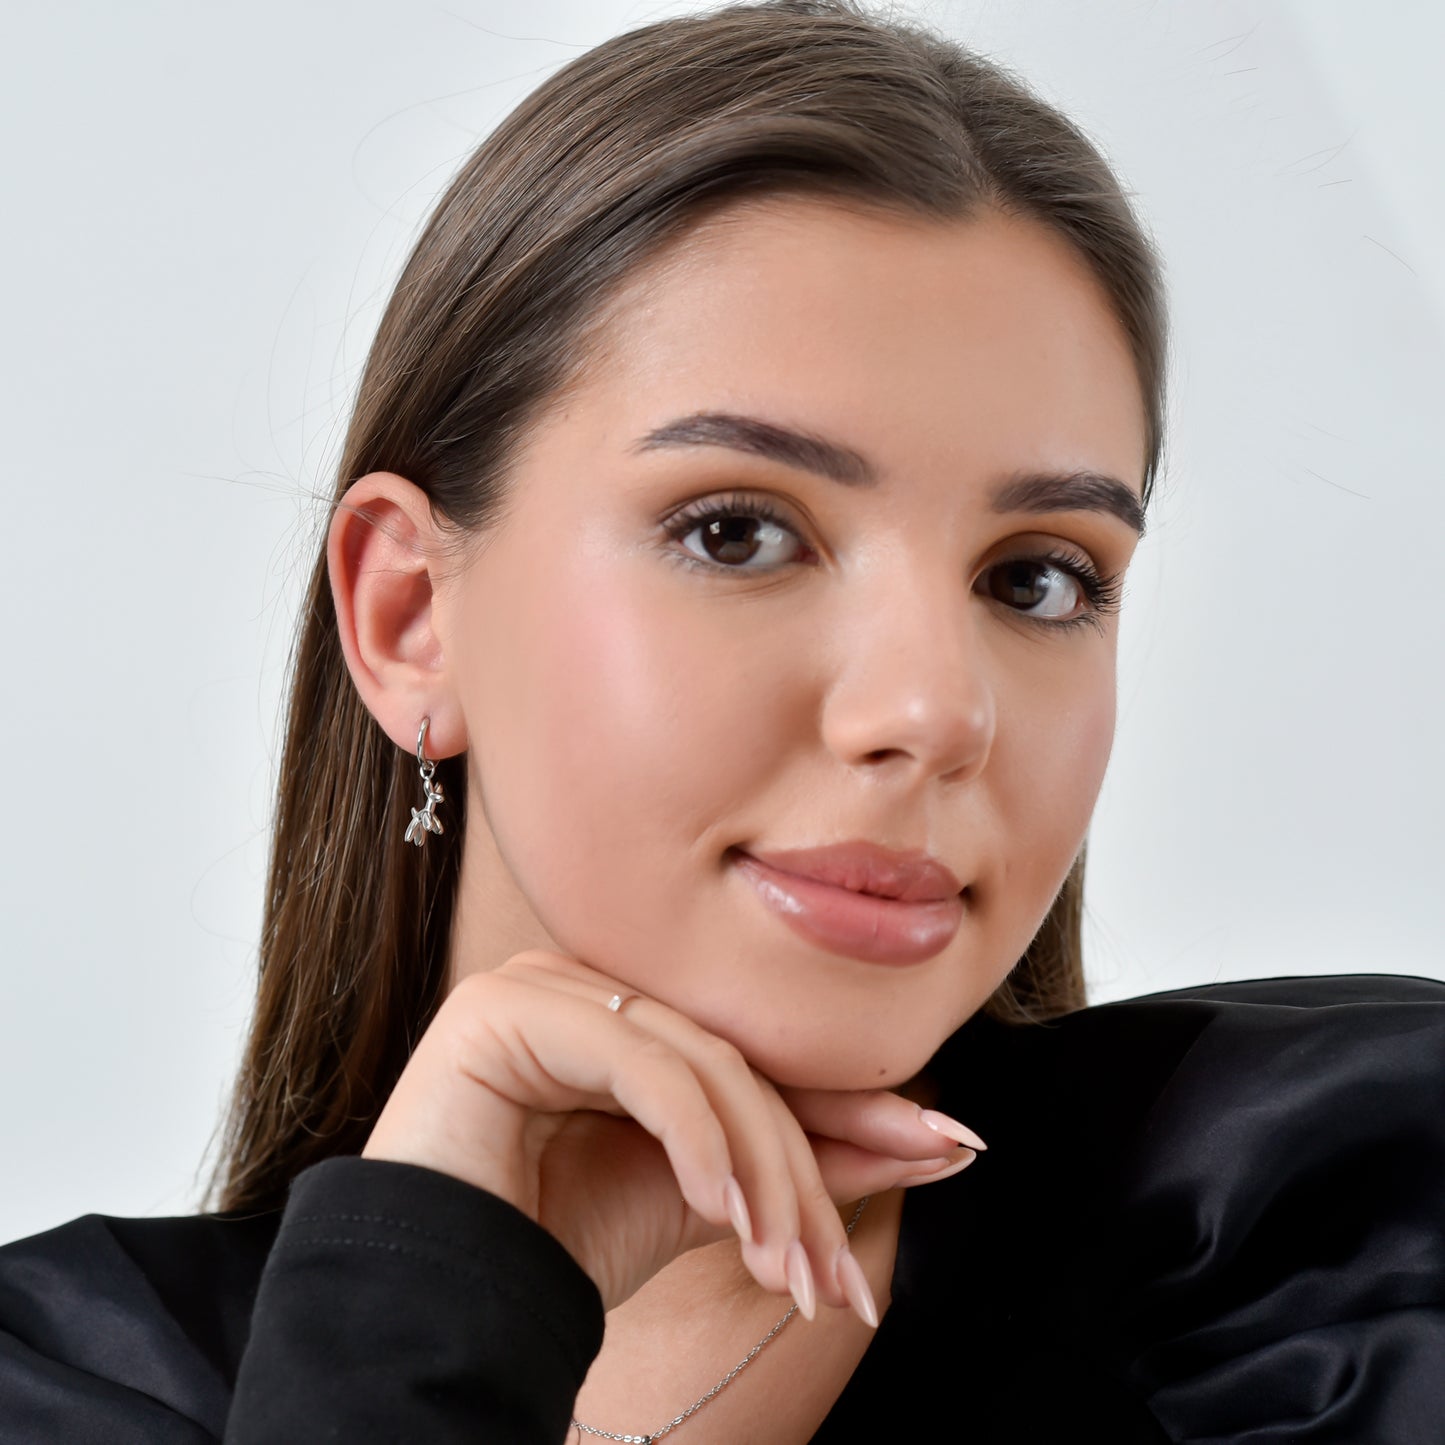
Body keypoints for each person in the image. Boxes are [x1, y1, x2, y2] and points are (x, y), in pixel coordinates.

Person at [3, 1, 1442, 1440]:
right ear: (409, 617)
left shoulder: (1344, 1258)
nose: (935, 710)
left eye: (1036, 576)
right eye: (739, 533)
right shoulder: (59, 1386)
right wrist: (430, 1300)